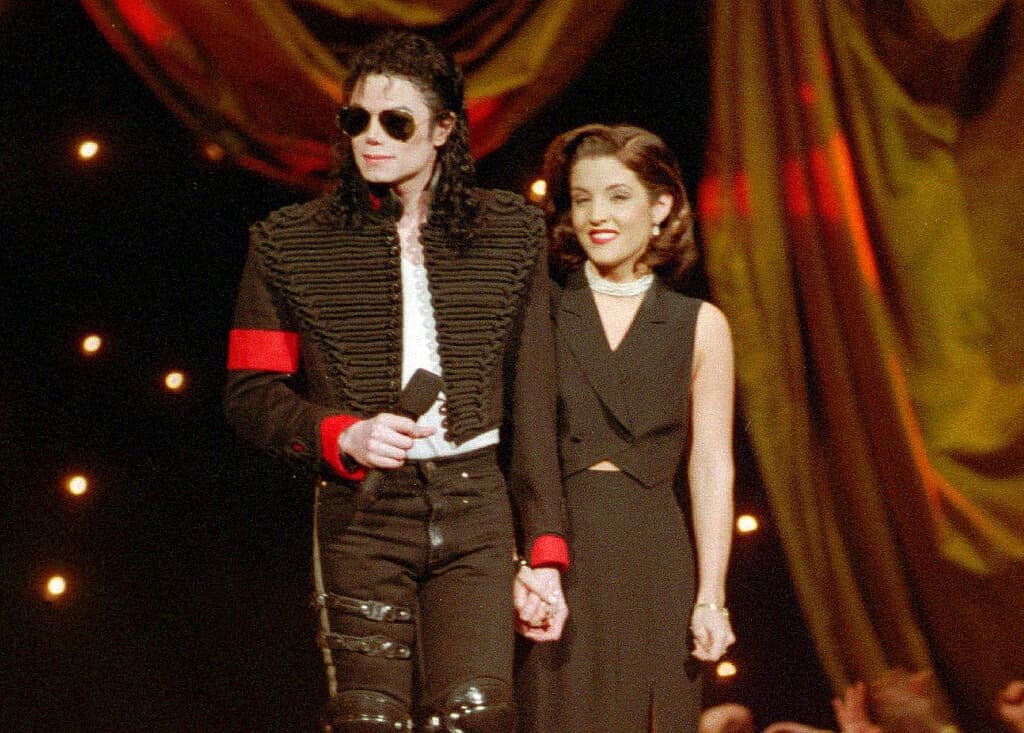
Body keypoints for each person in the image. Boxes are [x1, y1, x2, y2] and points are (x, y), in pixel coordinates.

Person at [224, 31, 568, 733]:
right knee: (369, 720)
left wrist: (544, 552)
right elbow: (249, 394)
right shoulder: (288, 243)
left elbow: (534, 403)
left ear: (443, 129)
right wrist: (341, 433)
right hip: (364, 517)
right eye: (356, 120)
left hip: (475, 506)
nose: (371, 137)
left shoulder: (511, 233)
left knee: (479, 716)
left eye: (396, 121)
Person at [514, 123, 736, 732]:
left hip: (654, 556)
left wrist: (711, 596)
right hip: (561, 554)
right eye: (582, 199)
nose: (597, 216)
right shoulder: (542, 312)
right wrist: (523, 561)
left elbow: (711, 465)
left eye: (618, 196)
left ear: (660, 207)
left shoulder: (699, 325)